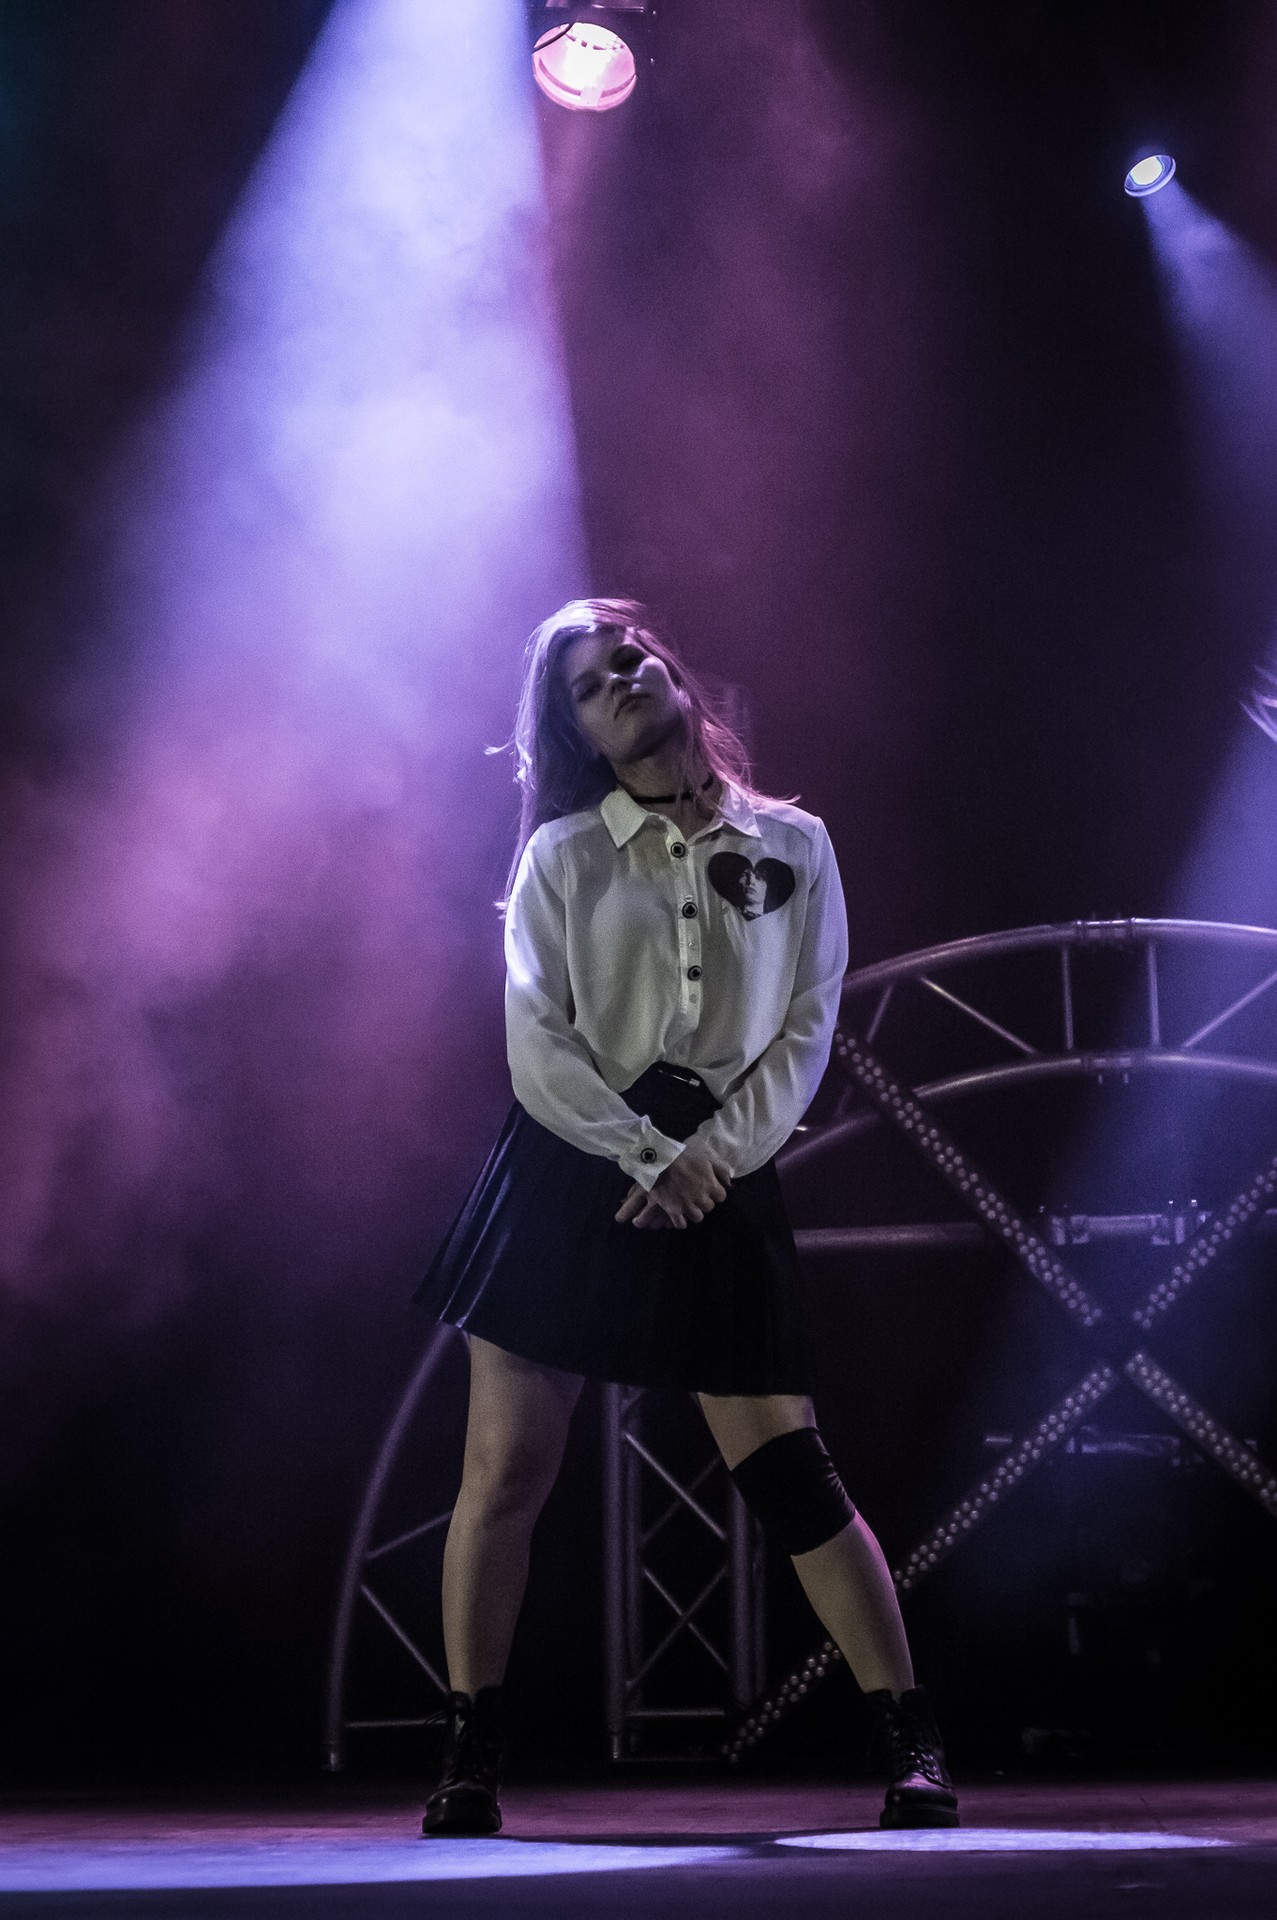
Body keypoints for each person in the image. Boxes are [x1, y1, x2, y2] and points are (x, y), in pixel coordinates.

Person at [413, 598, 958, 1836]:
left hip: (721, 1162)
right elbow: (534, 1045)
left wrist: (708, 1155)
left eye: (630, 657)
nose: (620, 678)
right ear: (574, 733)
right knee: (506, 1468)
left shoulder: (796, 844)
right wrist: (643, 1149)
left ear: (669, 671)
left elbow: (805, 1029)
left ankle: (910, 1740)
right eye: (590, 684)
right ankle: (468, 1754)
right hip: (570, 1160)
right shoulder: (560, 857)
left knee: (789, 1469)